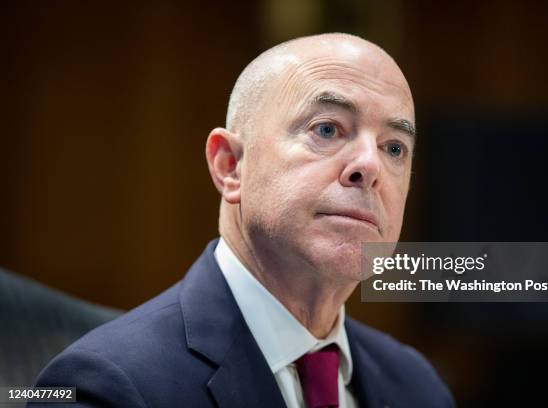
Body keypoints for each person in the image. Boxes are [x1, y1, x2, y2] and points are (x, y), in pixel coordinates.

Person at [31, 33, 454, 408]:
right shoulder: (108, 388)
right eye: (327, 129)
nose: (370, 165)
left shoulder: (417, 387)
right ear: (230, 165)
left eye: (394, 148)